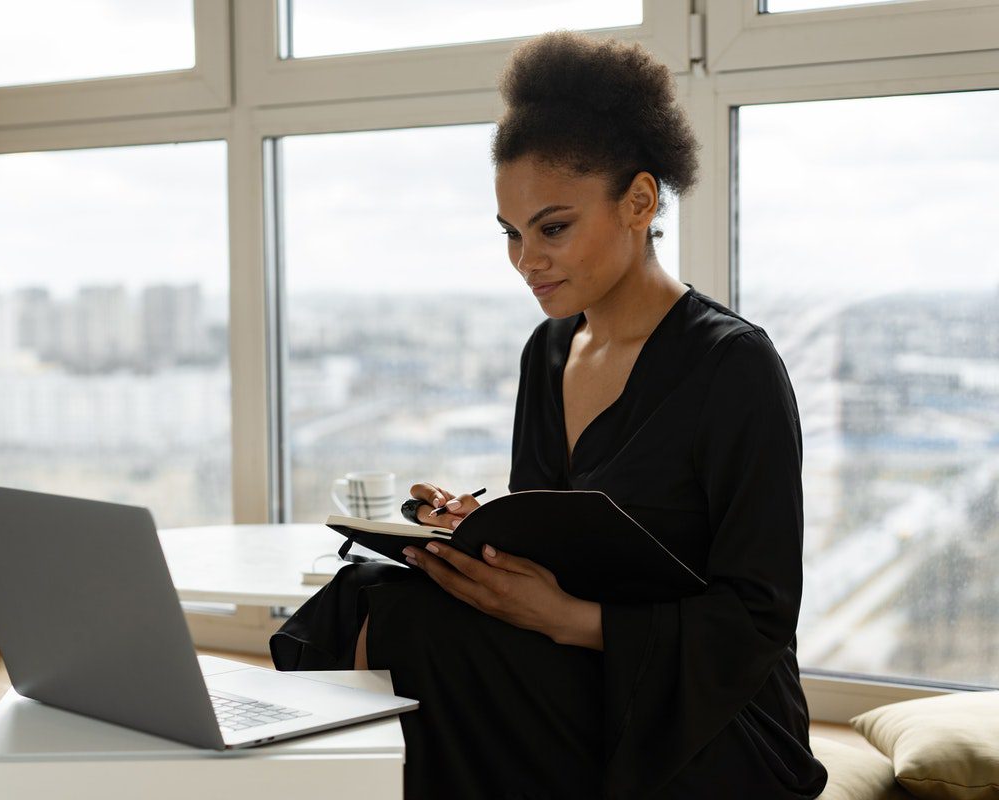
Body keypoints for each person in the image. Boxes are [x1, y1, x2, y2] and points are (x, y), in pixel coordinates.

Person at [271, 31, 828, 800]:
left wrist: (573, 618)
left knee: (420, 631)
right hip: (571, 671)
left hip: (704, 713)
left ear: (639, 201)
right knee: (369, 593)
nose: (525, 259)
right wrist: (476, 531)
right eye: (511, 233)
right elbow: (560, 531)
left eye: (552, 227)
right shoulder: (548, 352)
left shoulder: (734, 368)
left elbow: (759, 618)